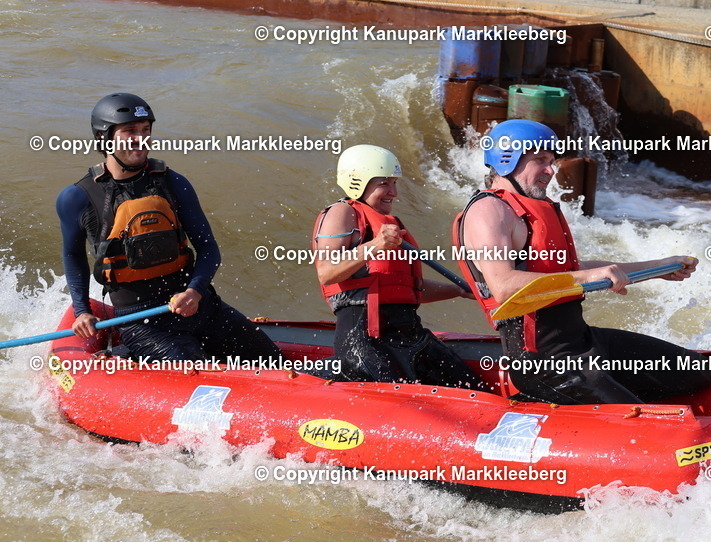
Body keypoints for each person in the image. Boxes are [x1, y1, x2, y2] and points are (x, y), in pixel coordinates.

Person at [452, 119, 711, 404]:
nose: (550, 171)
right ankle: (572, 406)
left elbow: (573, 271)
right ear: (506, 160)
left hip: (582, 342)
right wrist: (588, 278)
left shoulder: (532, 207)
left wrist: (658, 268)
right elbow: (503, 286)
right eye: (540, 160)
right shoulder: (489, 210)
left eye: (551, 161)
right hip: (543, 363)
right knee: (639, 421)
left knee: (696, 372)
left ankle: (599, 404)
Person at [56, 93, 282, 362]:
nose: (141, 139)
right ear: (104, 137)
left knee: (273, 361)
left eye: (145, 130)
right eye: (130, 131)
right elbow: (73, 256)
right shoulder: (77, 198)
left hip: (201, 307)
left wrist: (194, 292)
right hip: (143, 324)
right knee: (197, 372)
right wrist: (82, 310)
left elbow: (208, 248)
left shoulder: (174, 183)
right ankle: (134, 355)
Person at [311, 144, 487, 389]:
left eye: (394, 183)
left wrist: (460, 290)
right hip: (365, 341)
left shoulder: (389, 224)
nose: (393, 192)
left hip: (410, 337)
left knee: (472, 388)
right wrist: (376, 244)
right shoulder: (342, 212)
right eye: (384, 183)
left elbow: (404, 289)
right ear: (357, 181)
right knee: (403, 402)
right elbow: (327, 272)